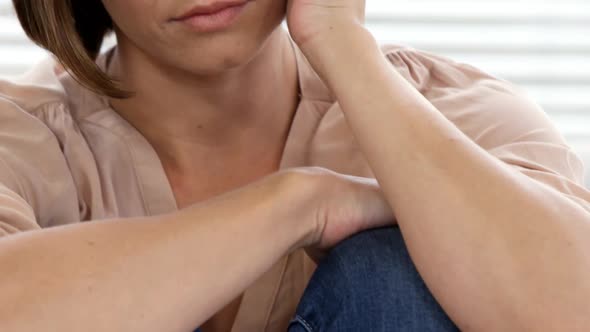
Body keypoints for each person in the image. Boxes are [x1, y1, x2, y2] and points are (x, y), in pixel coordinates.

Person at [1, 0, 589, 331]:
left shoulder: (453, 114)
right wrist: (300, 203)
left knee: (387, 271)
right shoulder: (26, 139)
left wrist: (337, 38)